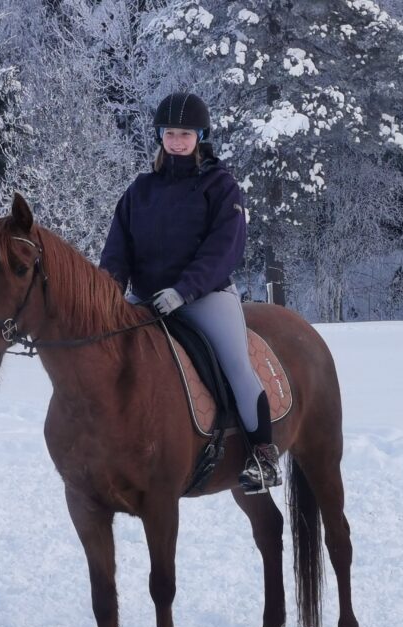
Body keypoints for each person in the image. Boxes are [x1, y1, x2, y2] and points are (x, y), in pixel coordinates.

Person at [99, 91, 281, 492]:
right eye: (170, 133)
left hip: (205, 297)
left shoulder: (221, 186)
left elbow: (224, 248)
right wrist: (108, 295)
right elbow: (118, 250)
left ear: (200, 136)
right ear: (160, 136)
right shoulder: (140, 190)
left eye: (185, 133)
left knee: (236, 365)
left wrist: (184, 290)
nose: (177, 140)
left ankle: (262, 455)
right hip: (145, 300)